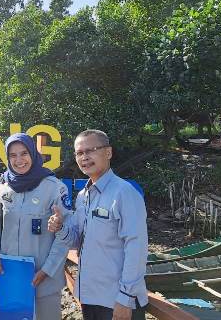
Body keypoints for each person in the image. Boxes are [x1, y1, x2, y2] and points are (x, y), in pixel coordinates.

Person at [47, 130, 148, 320]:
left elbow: (137, 248)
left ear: (108, 152)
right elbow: (77, 241)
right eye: (79, 153)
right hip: (90, 296)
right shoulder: (83, 196)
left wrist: (125, 298)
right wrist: (60, 228)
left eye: (90, 150)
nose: (84, 157)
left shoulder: (124, 193)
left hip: (117, 299)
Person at [0, 133, 71, 319]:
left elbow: (64, 236)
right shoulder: (1, 187)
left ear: (33, 153)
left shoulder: (54, 187)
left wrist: (48, 269)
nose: (19, 160)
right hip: (9, 277)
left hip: (43, 278)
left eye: (24, 153)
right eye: (13, 155)